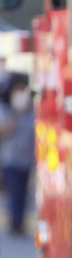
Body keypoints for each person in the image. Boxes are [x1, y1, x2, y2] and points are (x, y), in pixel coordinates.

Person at [0, 73, 35, 235]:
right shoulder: (4, 108)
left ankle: (19, 220)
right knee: (15, 191)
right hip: (10, 158)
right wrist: (8, 126)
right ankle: (15, 222)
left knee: (23, 192)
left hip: (27, 159)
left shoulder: (30, 108)